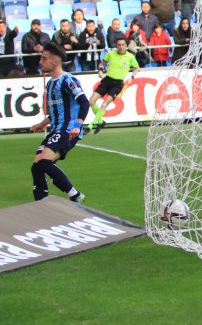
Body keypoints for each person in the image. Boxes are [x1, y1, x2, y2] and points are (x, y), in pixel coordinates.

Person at [29, 43, 89, 203]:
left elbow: (84, 103)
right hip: (56, 130)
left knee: (43, 162)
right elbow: (56, 112)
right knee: (36, 167)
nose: (40, 62)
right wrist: (42, 123)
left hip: (68, 131)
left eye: (44, 58)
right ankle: (41, 203)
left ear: (55, 62)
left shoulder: (68, 80)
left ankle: (75, 195)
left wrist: (77, 126)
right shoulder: (50, 84)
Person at [87, 38, 139, 134]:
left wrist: (132, 76)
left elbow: (136, 68)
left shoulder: (130, 57)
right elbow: (102, 63)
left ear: (126, 46)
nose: (121, 47)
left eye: (123, 44)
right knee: (92, 100)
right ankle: (101, 121)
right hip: (107, 80)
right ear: (116, 45)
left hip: (118, 84)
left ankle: (91, 125)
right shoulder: (111, 54)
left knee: (105, 104)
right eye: (119, 45)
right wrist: (100, 70)